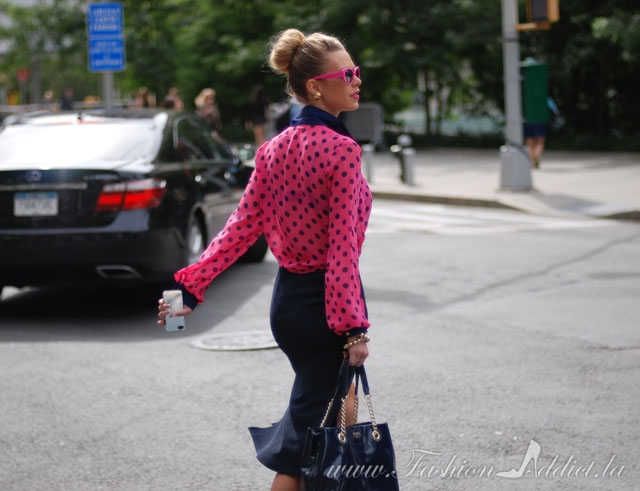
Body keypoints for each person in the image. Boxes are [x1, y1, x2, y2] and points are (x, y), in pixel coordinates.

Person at [158, 28, 369, 491]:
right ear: (316, 86)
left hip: (289, 305)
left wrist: (191, 286)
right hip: (325, 311)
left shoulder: (271, 151)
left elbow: (239, 228)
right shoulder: (343, 151)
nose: (357, 80)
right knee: (301, 445)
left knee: (338, 410)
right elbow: (341, 252)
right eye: (348, 73)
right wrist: (353, 326)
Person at [524, 96, 560, 169]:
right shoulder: (544, 97)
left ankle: (533, 160)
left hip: (528, 121)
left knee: (530, 142)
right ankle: (536, 158)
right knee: (540, 142)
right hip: (539, 121)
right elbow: (555, 111)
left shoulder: (526, 96)